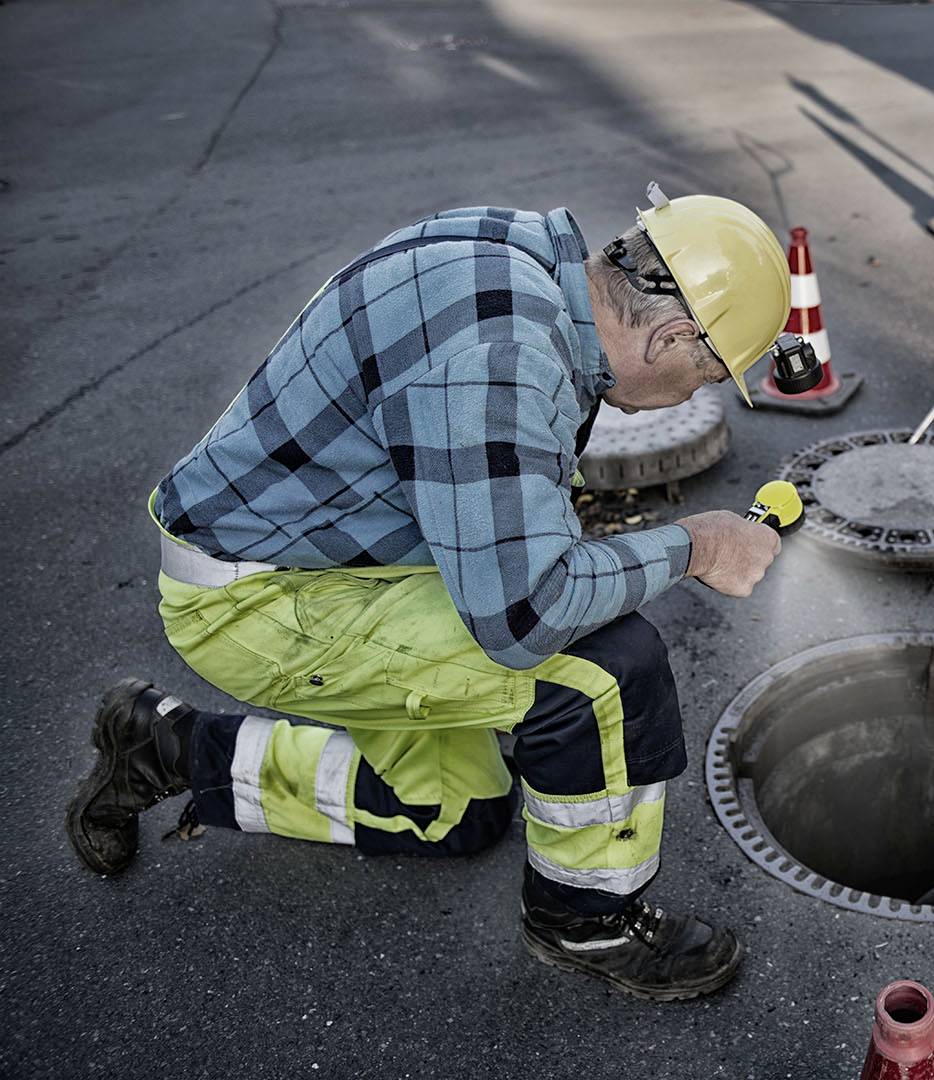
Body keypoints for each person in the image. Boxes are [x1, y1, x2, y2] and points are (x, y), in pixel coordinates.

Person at [66, 186, 797, 1002]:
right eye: (708, 376)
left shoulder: (519, 255)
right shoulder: (501, 362)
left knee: (458, 814)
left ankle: (167, 749)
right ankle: (585, 920)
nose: (697, 397)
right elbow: (527, 613)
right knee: (603, 673)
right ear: (668, 334)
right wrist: (699, 546)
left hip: (331, 551)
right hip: (263, 603)